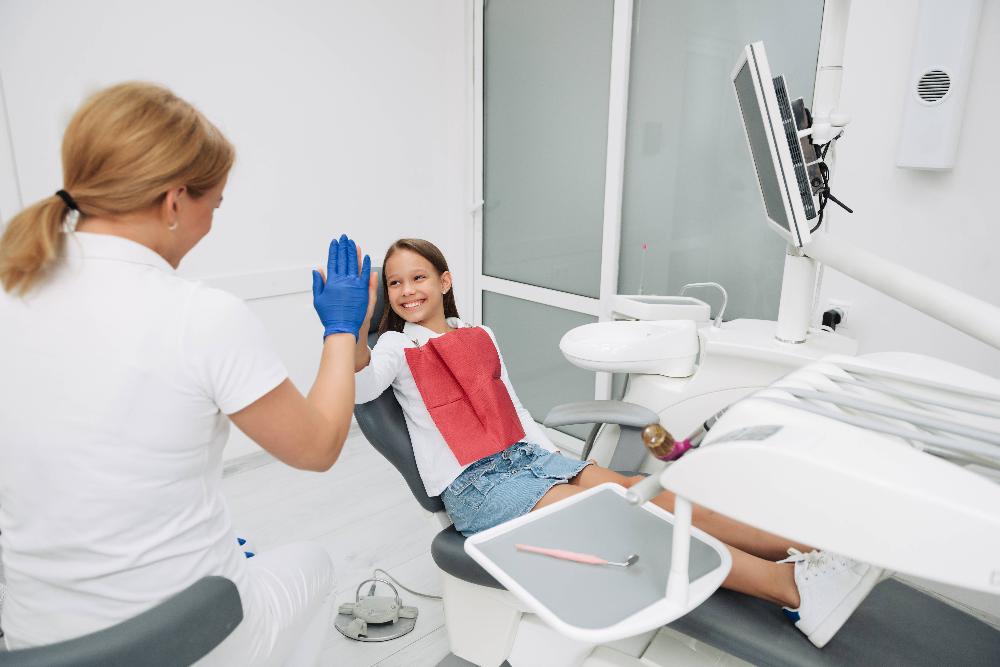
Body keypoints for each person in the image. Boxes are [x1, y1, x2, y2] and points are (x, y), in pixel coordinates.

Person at [352, 238, 884, 649]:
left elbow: (511, 409)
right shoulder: (397, 347)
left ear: (444, 280)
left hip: (528, 462)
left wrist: (559, 463)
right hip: (479, 488)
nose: (407, 291)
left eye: (418, 277)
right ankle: (790, 589)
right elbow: (358, 385)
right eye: (395, 284)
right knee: (622, 515)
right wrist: (354, 322)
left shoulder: (480, 335)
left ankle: (810, 549)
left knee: (642, 489)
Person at [0, 82, 374, 664]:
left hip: (34, 641)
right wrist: (342, 329)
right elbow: (320, 446)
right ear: (175, 201)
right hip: (183, 633)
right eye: (214, 205)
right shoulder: (199, 315)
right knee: (313, 565)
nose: (210, 224)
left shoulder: (12, 294)